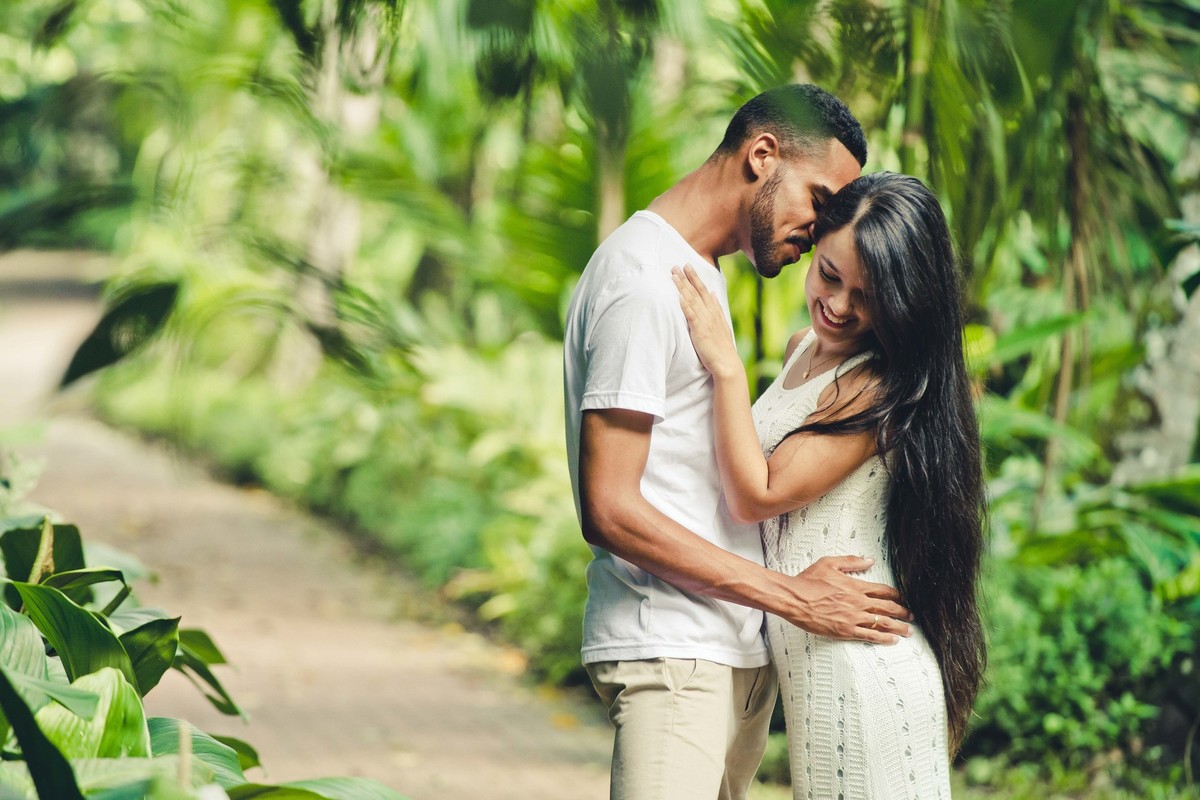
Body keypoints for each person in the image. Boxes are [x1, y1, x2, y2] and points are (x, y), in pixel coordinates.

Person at [563, 85, 912, 800]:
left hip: (726, 655)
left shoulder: (699, 272)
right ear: (762, 155)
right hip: (672, 653)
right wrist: (790, 597)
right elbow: (609, 507)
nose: (821, 231)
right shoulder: (642, 281)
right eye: (820, 200)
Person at [672, 170, 987, 798]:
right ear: (814, 248)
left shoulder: (880, 382)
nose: (839, 306)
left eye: (868, 297)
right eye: (831, 276)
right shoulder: (801, 349)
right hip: (817, 667)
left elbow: (756, 494)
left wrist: (727, 370)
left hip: (861, 674)